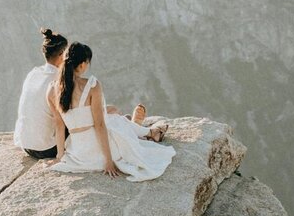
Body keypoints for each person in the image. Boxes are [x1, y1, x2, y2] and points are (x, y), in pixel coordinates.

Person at [48, 42, 175, 180]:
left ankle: (146, 130)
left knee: (114, 118)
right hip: (99, 151)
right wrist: (108, 161)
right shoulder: (91, 85)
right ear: (83, 64)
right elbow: (100, 125)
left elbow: (59, 126)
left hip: (79, 154)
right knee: (115, 119)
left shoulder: (52, 90)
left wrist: (60, 157)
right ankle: (149, 131)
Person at [12, 28, 67, 159]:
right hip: (47, 148)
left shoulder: (33, 73)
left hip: (25, 145)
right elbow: (62, 121)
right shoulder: (58, 80)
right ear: (62, 55)